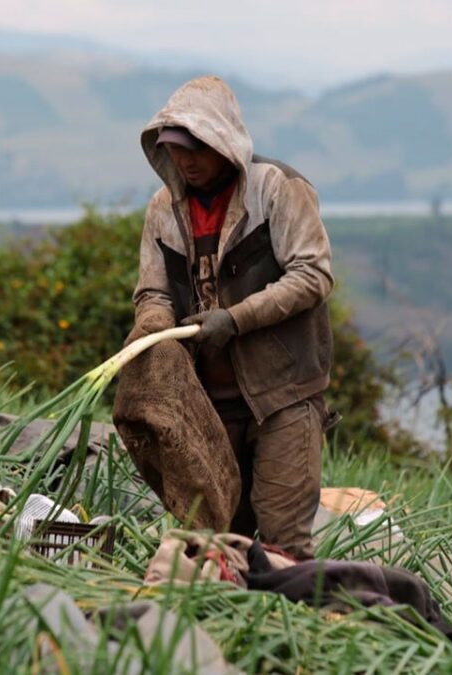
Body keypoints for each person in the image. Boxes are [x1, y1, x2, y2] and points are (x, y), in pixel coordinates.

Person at [130, 76, 335, 559]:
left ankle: (289, 605)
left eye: (196, 149)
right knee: (219, 542)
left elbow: (313, 275)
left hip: (282, 395)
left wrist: (236, 318)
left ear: (223, 140)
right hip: (208, 404)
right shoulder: (163, 210)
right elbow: (153, 290)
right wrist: (155, 326)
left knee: (284, 540)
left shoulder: (278, 189)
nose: (186, 161)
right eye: (175, 149)